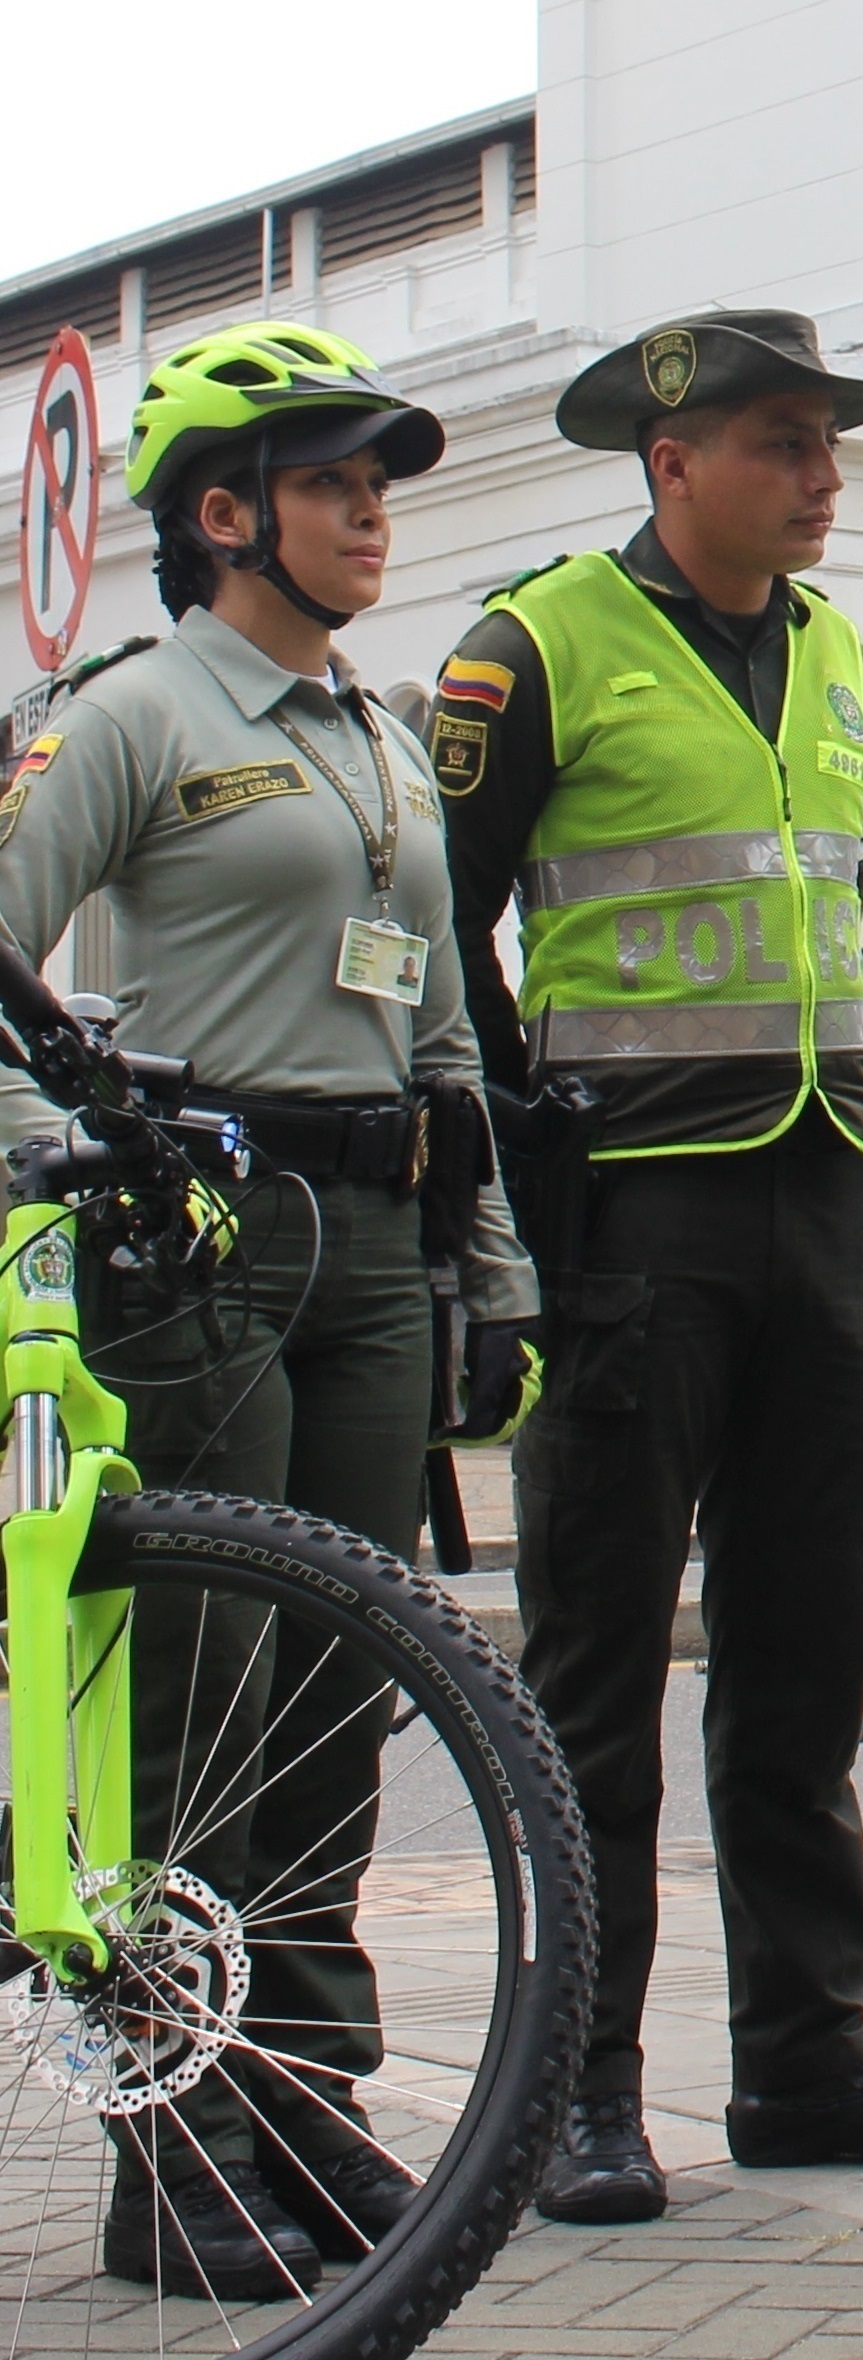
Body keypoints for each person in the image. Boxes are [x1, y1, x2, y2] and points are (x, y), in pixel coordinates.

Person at [439, 310, 863, 2225]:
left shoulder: (836, 645)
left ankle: (807, 2063)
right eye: (789, 441)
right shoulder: (533, 649)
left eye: (833, 443)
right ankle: (575, 2094)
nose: (827, 473)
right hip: (636, 1219)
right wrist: (510, 1167)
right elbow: (442, 925)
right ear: (673, 457)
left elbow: (822, 918)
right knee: (596, 1684)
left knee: (799, 1671)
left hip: (818, 1206)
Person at [0, 322, 535, 2298]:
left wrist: (493, 1277)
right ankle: (174, 2143)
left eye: (382, 483)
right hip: (199, 1243)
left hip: (377, 1247)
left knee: (337, 1698)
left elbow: (448, 1021)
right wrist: (71, 1168)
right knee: (197, 1696)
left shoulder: (384, 733)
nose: (375, 515)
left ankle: (306, 2107)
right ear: (225, 513)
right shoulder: (132, 714)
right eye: (335, 483)